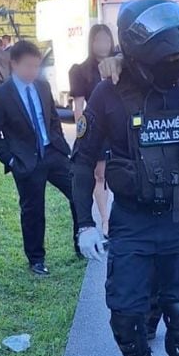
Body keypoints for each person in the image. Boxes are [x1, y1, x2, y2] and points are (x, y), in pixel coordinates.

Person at [73, 0, 179, 356]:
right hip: (132, 221)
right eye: (167, 56)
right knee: (124, 318)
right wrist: (84, 225)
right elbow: (81, 161)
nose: (177, 63)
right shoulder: (108, 92)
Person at [0, 40, 75, 276]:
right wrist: (12, 161)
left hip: (53, 154)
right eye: (28, 66)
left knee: (78, 192)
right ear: (14, 64)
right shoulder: (0, 95)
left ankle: (81, 243)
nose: (33, 71)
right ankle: (36, 259)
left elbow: (53, 118)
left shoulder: (43, 87)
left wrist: (61, 146)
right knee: (33, 211)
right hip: (26, 162)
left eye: (36, 66)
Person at [69, 23, 114, 232]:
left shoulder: (120, 64)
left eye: (107, 39)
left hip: (120, 126)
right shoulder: (81, 70)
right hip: (97, 128)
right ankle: (105, 219)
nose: (103, 44)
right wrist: (82, 134)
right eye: (99, 40)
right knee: (99, 175)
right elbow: (78, 106)